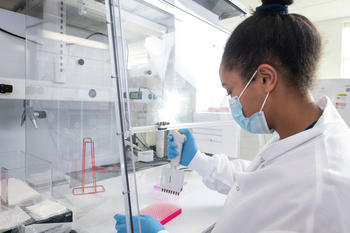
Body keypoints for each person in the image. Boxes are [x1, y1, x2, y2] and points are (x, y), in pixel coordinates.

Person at [114, 0, 350, 232]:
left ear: (265, 79)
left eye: (231, 90)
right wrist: (197, 159)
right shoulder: (303, 135)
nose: (232, 103)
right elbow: (254, 182)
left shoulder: (320, 188)